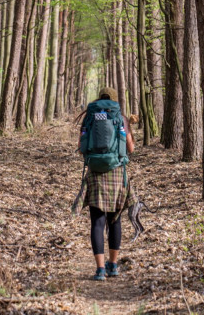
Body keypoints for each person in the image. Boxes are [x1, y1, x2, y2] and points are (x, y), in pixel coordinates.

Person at [77, 87, 136, 281]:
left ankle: (100, 269)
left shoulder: (91, 117)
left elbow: (81, 147)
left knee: (97, 221)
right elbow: (130, 148)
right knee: (115, 220)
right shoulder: (121, 118)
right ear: (115, 99)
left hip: (95, 173)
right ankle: (113, 265)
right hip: (117, 173)